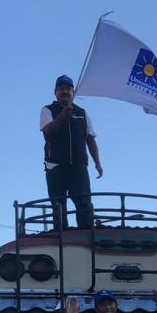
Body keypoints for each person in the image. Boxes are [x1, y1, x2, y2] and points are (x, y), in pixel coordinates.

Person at [39, 74, 103, 229]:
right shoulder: (47, 110)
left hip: (78, 166)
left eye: (68, 89)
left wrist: (97, 163)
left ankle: (86, 235)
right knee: (58, 205)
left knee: (84, 202)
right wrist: (62, 115)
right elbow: (49, 130)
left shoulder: (82, 113)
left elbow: (90, 139)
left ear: (73, 93)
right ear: (55, 92)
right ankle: (61, 237)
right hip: (55, 166)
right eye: (61, 89)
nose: (65, 92)